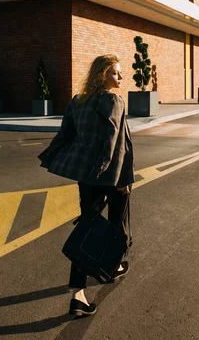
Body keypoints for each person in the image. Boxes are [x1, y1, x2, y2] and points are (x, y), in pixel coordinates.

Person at [38, 54, 134, 317]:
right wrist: (115, 180)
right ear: (103, 74)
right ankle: (109, 267)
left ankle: (79, 294)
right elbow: (113, 144)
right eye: (116, 73)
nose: (121, 77)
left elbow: (65, 134)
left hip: (86, 176)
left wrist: (52, 156)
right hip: (111, 176)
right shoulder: (113, 100)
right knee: (117, 228)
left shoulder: (78, 100)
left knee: (87, 228)